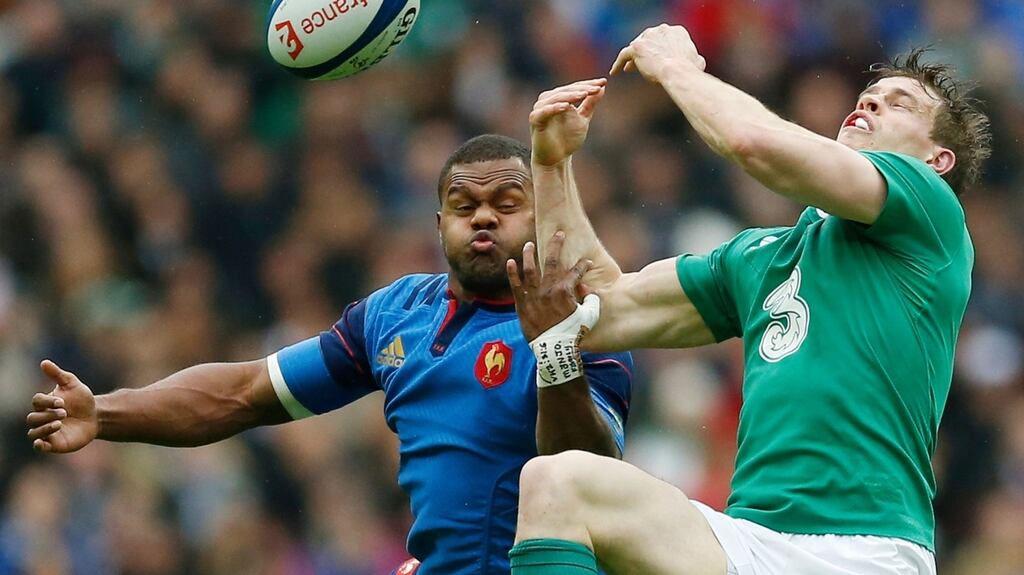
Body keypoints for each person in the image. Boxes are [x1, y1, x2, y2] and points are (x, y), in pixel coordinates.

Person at [24, 134, 633, 575]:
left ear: (543, 216)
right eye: (463, 205)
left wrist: (554, 349)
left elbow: (590, 467)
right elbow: (245, 393)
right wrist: (105, 413)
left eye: (507, 203)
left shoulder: (588, 316)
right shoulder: (397, 314)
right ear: (438, 222)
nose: (483, 218)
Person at [504, 25, 990, 575]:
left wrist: (678, 69)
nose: (871, 102)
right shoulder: (763, 255)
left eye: (900, 104)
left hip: (867, 548)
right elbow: (595, 309)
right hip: (752, 541)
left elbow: (753, 143)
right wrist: (552, 164)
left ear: (937, 160)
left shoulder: (930, 212)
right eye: (868, 96)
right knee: (555, 483)